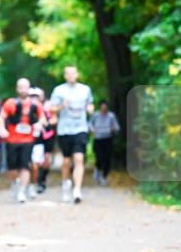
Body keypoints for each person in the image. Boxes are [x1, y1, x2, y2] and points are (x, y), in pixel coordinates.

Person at [49, 65, 94, 203]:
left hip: (80, 128)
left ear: (77, 74)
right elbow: (51, 109)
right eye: (68, 74)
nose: (71, 76)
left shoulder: (85, 89)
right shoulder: (59, 90)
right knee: (66, 161)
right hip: (64, 130)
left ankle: (77, 190)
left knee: (79, 158)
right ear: (65, 76)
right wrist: (62, 105)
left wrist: (90, 109)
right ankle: (65, 185)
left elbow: (90, 104)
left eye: (73, 73)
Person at [0, 78, 47, 203]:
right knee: (12, 167)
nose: (23, 90)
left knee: (25, 166)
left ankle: (21, 191)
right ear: (17, 89)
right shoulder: (10, 103)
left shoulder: (35, 104)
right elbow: (1, 117)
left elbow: (43, 118)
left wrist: (39, 124)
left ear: (29, 88)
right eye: (20, 87)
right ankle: (15, 183)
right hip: (12, 140)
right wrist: (2, 129)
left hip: (28, 140)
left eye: (25, 87)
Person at [31, 87, 56, 193]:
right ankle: (36, 182)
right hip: (35, 138)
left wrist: (46, 123)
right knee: (35, 162)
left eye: (37, 96)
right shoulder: (29, 107)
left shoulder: (48, 106)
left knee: (46, 161)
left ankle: (42, 180)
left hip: (48, 136)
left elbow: (54, 119)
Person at [89, 100, 120, 185]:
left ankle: (103, 176)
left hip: (107, 139)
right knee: (99, 157)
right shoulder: (95, 115)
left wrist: (113, 129)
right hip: (98, 139)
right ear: (100, 108)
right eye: (102, 108)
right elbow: (90, 124)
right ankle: (97, 170)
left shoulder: (111, 116)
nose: (103, 110)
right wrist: (92, 129)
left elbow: (117, 127)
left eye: (105, 108)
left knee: (107, 159)